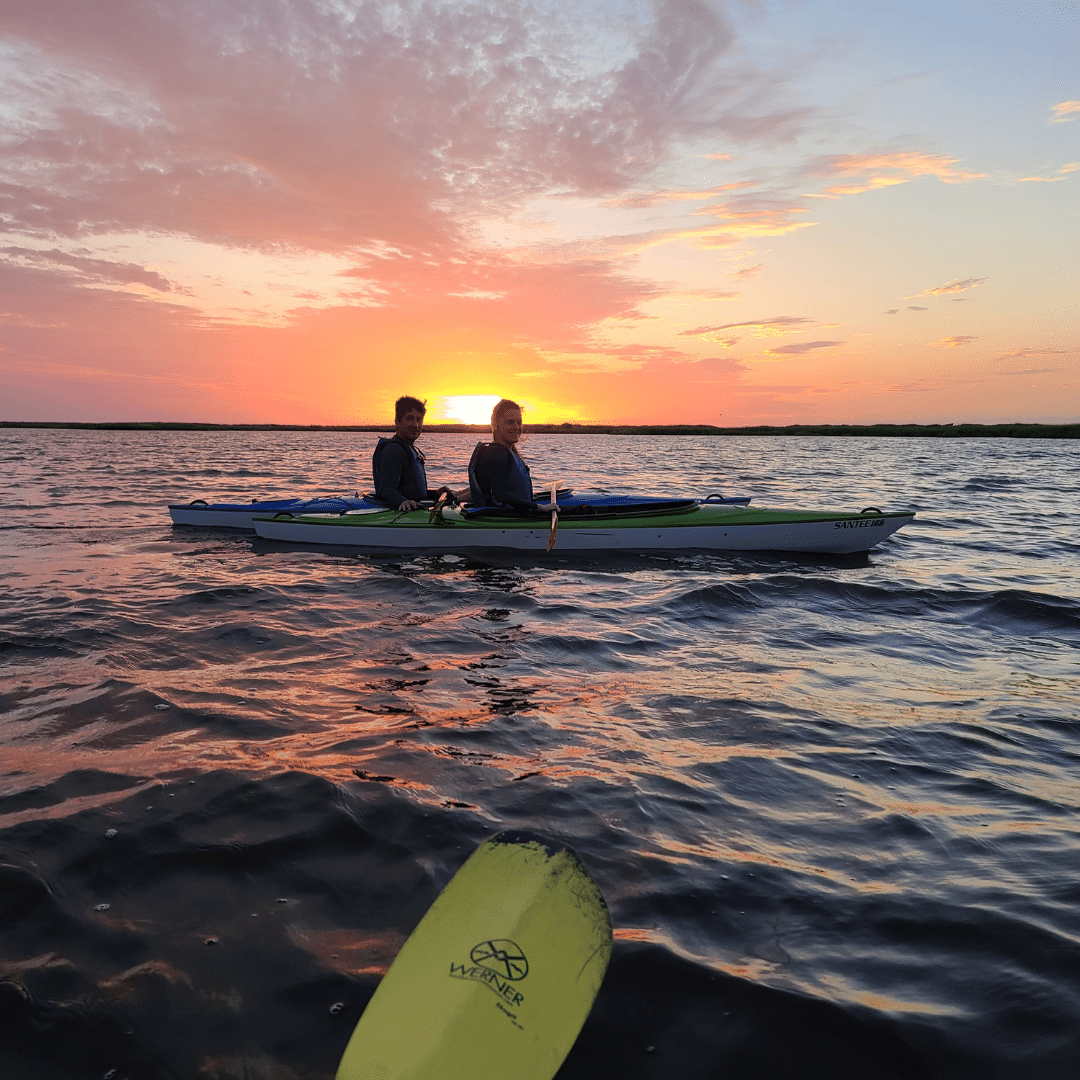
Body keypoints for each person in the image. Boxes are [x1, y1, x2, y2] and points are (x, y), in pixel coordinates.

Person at [372, 396, 458, 511]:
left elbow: (411, 491)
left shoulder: (408, 449)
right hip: (399, 514)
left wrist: (435, 493)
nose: (416, 425)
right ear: (397, 421)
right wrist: (402, 502)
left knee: (466, 494)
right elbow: (386, 490)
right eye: (410, 418)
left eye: (419, 420)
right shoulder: (393, 451)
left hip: (415, 507)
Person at [467, 399, 552, 511]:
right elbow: (500, 496)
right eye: (510, 422)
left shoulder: (502, 452)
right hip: (505, 518)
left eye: (519, 422)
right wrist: (539, 507)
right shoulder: (497, 454)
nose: (516, 427)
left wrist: (455, 495)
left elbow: (487, 489)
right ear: (495, 424)